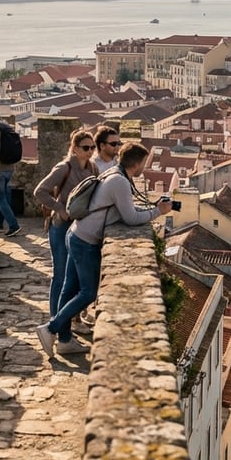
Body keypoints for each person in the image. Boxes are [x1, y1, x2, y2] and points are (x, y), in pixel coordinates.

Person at [36, 142, 172, 357]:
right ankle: (51, 329)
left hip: (76, 232)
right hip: (86, 241)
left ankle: (64, 340)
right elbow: (130, 218)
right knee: (88, 292)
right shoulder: (119, 181)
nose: (144, 167)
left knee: (69, 289)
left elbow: (123, 208)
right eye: (144, 163)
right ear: (136, 163)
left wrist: (149, 206)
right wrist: (158, 211)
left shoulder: (114, 173)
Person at [33, 129, 98, 317]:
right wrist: (59, 208)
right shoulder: (64, 167)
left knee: (75, 277)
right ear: (74, 148)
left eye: (92, 147)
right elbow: (40, 191)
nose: (90, 151)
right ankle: (55, 319)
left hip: (80, 228)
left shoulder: (92, 168)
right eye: (86, 147)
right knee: (60, 276)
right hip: (61, 226)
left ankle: (71, 319)